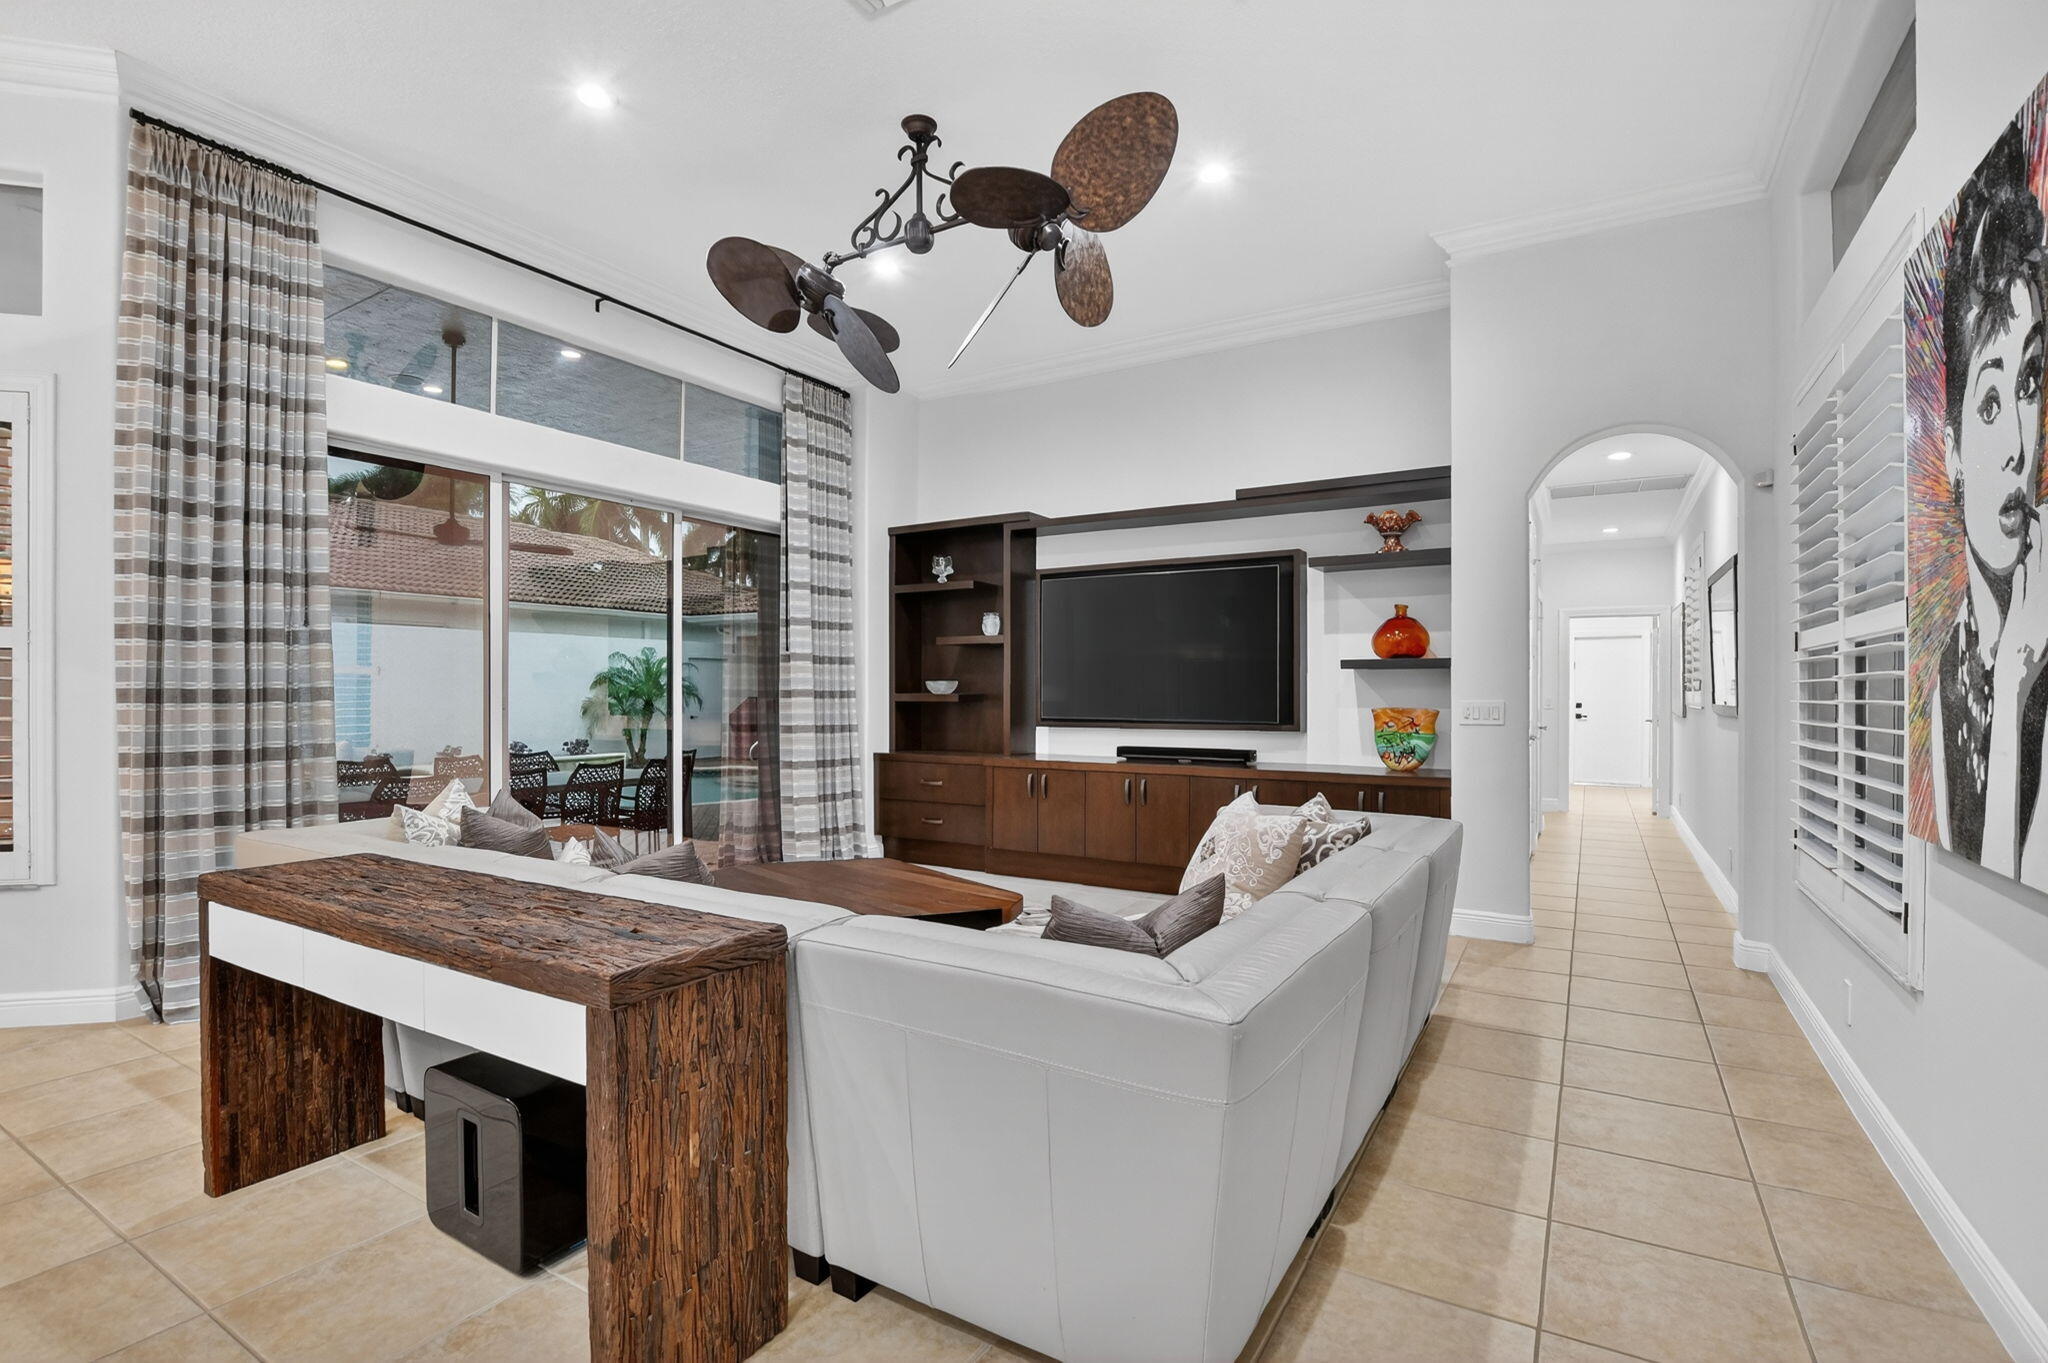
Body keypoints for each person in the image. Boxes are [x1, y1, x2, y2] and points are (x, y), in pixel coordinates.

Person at [1932, 121, 2048, 878]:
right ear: (1951, 457)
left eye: (2031, 382)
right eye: (1988, 400)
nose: (2017, 440)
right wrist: (2008, 673)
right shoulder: (1950, 674)